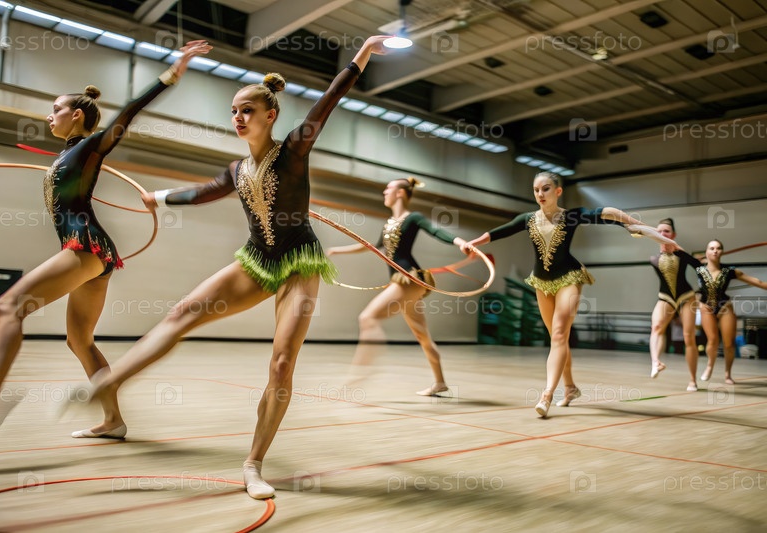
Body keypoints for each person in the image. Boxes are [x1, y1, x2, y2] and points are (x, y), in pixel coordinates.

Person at [68, 36, 393, 500]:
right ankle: (108, 382)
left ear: (270, 115)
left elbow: (330, 99)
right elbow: (203, 192)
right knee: (181, 314)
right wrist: (159, 197)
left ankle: (253, 464)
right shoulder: (237, 169)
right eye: (234, 111)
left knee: (282, 363)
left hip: (299, 261)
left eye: (247, 110)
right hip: (257, 259)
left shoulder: (294, 149)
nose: (238, 117)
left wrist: (362, 53)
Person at [0, 41, 212, 449]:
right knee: (79, 340)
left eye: (56, 109)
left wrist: (172, 73)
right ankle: (113, 421)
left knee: (6, 308)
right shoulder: (68, 155)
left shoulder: (89, 147)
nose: (49, 116)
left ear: (76, 114)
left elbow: (129, 111)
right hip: (93, 251)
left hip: (85, 246)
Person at [467, 171, 676, 418]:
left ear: (558, 191)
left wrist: (638, 225)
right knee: (558, 339)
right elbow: (499, 232)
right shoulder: (527, 219)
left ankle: (546, 395)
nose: (540, 194)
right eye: (536, 190)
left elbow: (607, 213)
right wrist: (473, 244)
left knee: (558, 334)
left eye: (546, 188)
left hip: (570, 278)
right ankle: (570, 388)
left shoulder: (571, 216)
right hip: (541, 283)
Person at [326, 177, 471, 396]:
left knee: (367, 318)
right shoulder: (389, 223)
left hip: (407, 278)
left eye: (389, 188)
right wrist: (338, 250)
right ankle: (440, 382)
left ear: (401, 193)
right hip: (406, 282)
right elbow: (373, 247)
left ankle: (362, 372)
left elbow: (435, 231)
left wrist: (460, 242)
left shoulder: (413, 218)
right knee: (423, 336)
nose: (385, 192)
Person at [697, 239, 767, 384]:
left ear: (722, 252)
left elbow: (758, 282)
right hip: (706, 307)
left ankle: (727, 373)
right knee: (713, 340)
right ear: (706, 252)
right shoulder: (699, 269)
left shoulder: (729, 271)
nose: (715, 251)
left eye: (718, 248)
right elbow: (682, 255)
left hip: (724, 307)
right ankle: (710, 365)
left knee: (729, 344)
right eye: (712, 248)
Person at [646, 218, 702, 391]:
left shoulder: (681, 254)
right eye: (659, 231)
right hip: (665, 297)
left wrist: (682, 252)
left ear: (673, 235)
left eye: (667, 231)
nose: (663, 234)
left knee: (688, 337)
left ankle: (692, 380)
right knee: (656, 327)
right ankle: (655, 362)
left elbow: (699, 267)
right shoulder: (653, 259)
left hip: (686, 297)